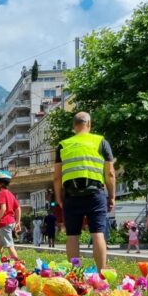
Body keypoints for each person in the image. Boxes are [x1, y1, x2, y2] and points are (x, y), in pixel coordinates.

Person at [53, 112, 116, 270]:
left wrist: (59, 196)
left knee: (72, 235)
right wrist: (112, 196)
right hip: (95, 194)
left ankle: (75, 272)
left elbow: (56, 177)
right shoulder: (101, 142)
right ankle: (102, 271)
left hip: (71, 195)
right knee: (97, 233)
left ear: (74, 126)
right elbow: (110, 173)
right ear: (89, 124)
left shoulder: (63, 145)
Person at [0, 169, 21, 260]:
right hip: (10, 222)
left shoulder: (1, 193)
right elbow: (18, 208)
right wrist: (18, 222)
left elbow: (3, 208)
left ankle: (18, 264)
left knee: (9, 245)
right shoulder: (10, 194)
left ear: (0, 184)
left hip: (4, 223)